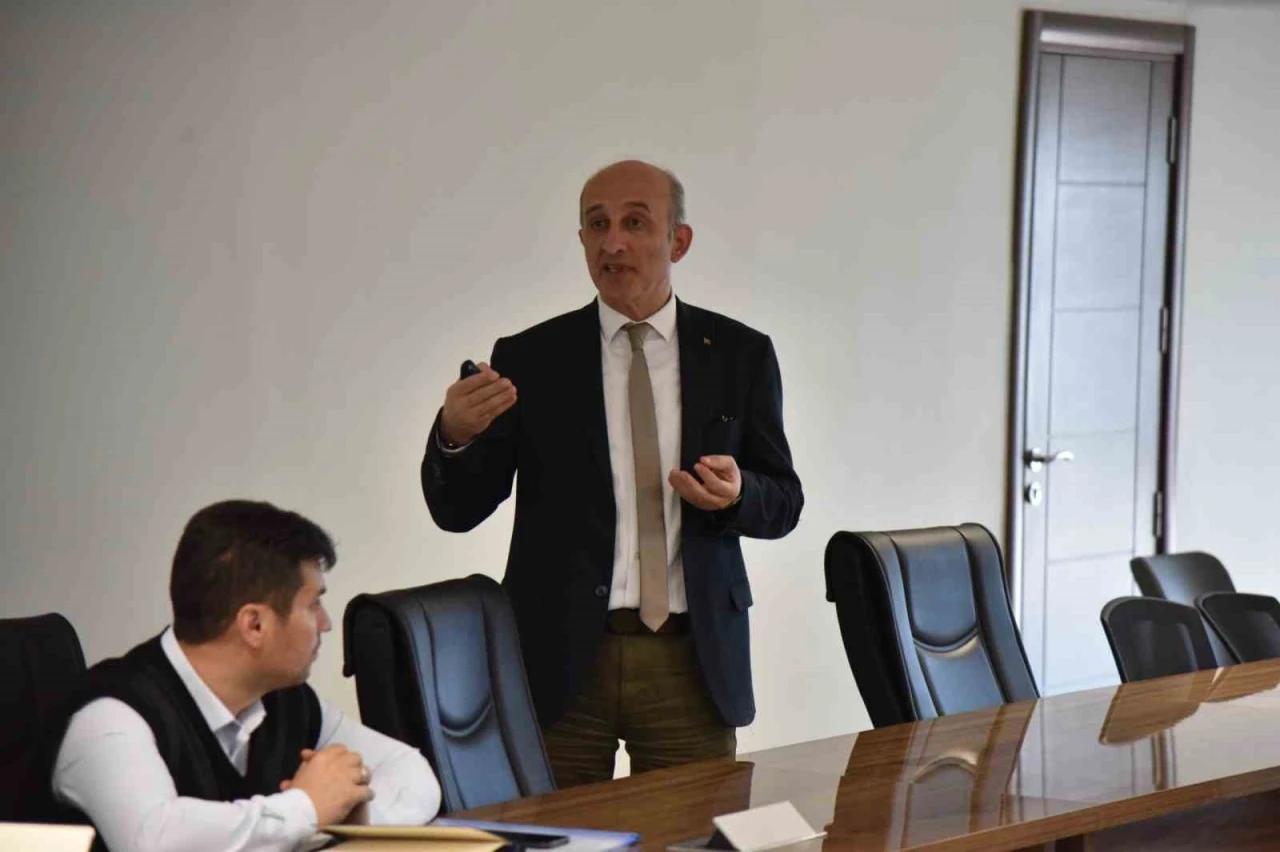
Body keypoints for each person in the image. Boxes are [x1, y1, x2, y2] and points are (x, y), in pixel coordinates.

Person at [421, 160, 803, 786]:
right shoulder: (531, 357)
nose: (613, 242)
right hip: (560, 661)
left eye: (635, 223)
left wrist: (738, 495)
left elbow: (784, 501)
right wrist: (454, 437)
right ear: (581, 241)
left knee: (692, 829)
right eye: (597, 225)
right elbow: (459, 511)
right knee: (557, 831)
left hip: (692, 659)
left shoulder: (739, 354)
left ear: (679, 240)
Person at [46, 500, 441, 852]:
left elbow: (410, 772)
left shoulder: (286, 699)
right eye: (313, 605)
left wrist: (349, 823)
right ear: (254, 625)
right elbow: (154, 840)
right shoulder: (110, 718)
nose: (325, 624)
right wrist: (306, 809)